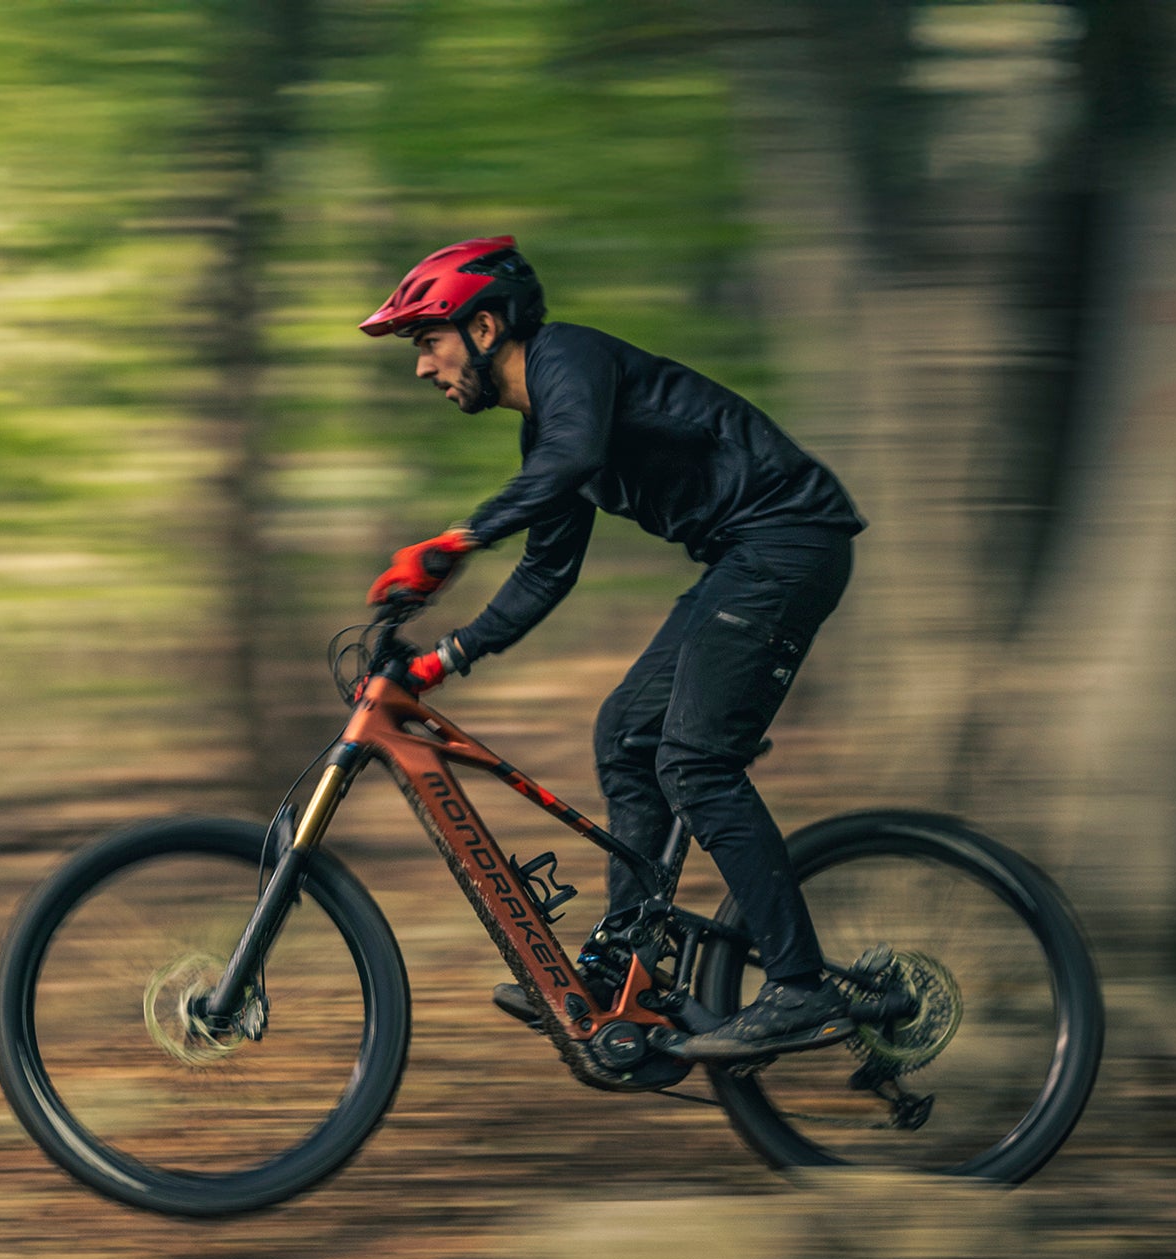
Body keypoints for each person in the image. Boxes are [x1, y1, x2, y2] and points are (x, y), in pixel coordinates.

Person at [360, 236, 863, 1063]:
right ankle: (629, 967)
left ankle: (800, 988)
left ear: (484, 328)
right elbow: (545, 576)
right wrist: (441, 659)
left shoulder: (570, 362)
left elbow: (573, 459)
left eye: (428, 343)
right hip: (746, 558)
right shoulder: (548, 435)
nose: (422, 368)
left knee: (695, 763)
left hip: (787, 542)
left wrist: (457, 538)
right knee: (626, 736)